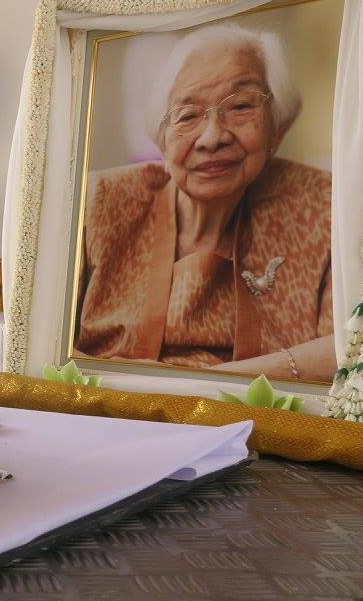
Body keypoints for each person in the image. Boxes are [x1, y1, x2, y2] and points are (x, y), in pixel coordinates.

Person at [75, 24, 334, 382]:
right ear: (162, 141)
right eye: (187, 115)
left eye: (240, 106)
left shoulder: (321, 207)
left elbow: (351, 352)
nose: (212, 138)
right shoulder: (99, 202)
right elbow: (45, 344)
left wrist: (193, 387)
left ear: (277, 129)